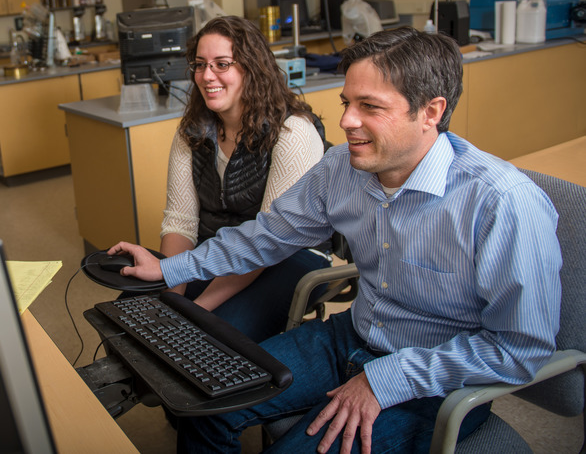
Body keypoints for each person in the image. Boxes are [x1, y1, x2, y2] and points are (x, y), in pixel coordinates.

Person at [109, 26, 562, 453]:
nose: (345, 121)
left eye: (370, 106)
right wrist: (169, 268)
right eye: (347, 102)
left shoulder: (502, 204)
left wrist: (387, 379)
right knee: (201, 401)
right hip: (353, 336)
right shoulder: (342, 166)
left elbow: (521, 347)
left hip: (435, 380)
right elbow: (266, 236)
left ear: (431, 111)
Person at [152, 15, 329, 343]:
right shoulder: (192, 132)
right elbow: (180, 224)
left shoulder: (292, 133)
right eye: (200, 64)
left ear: (252, 68)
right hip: (219, 248)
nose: (207, 76)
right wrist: (171, 297)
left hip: (287, 255)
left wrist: (197, 309)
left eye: (222, 64)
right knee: (140, 312)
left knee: (208, 339)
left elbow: (268, 241)